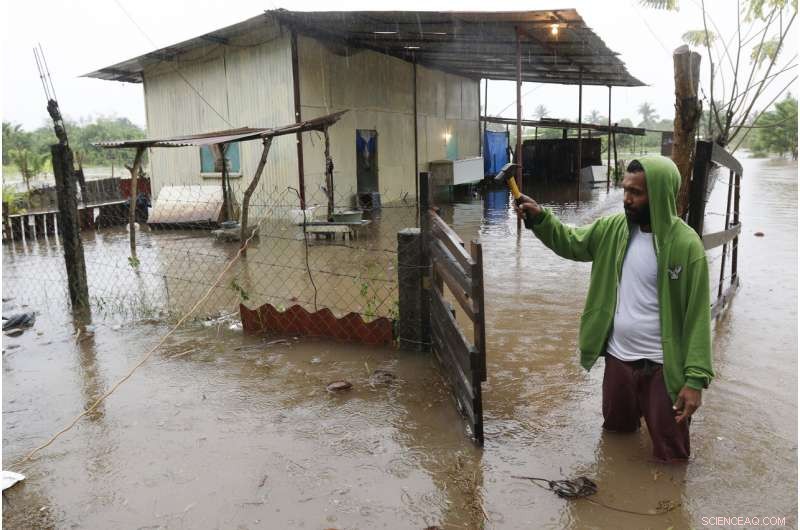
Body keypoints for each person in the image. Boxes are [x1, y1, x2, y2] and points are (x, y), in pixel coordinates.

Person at [514, 157, 714, 462]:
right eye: (625, 190)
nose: (627, 199)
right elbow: (573, 242)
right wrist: (541, 218)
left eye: (636, 192)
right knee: (616, 438)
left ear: (659, 195)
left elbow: (697, 316)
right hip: (619, 360)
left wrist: (695, 380)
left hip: (663, 369)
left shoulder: (686, 245)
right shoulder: (614, 229)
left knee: (671, 454)